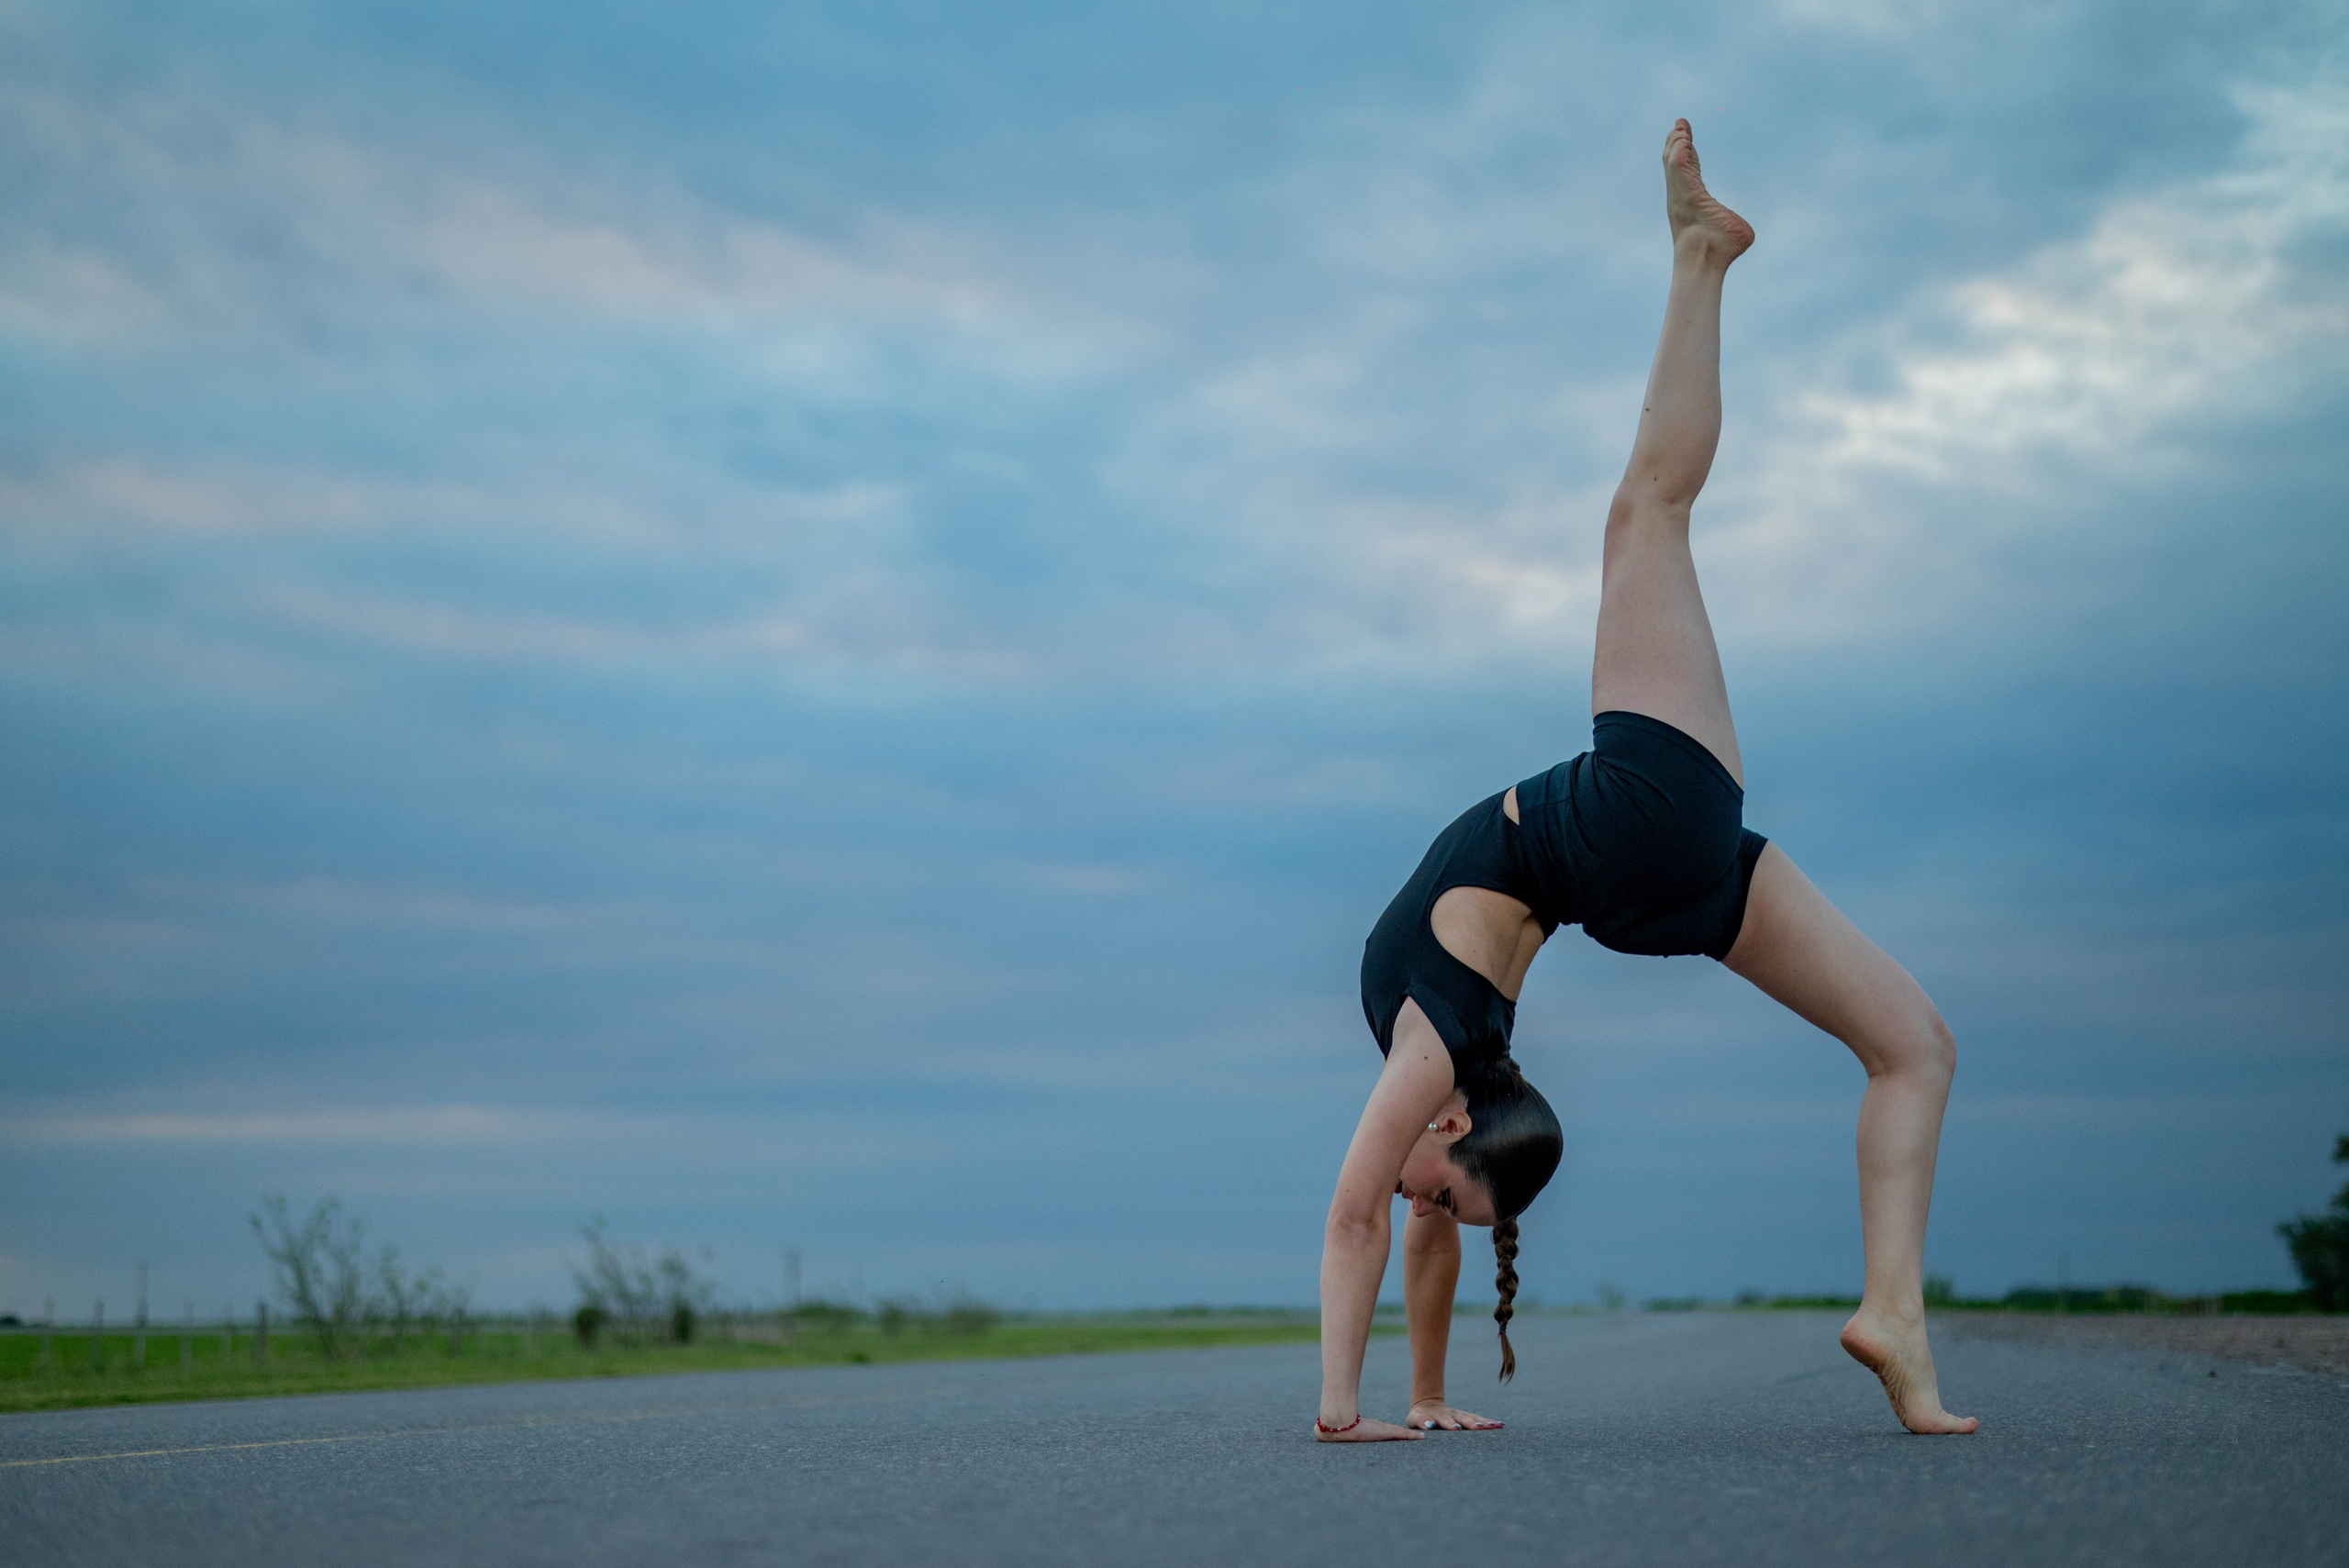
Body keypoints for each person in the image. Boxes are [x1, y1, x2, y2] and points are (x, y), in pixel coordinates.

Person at [1313, 120, 1979, 1443]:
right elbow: (1367, 1216)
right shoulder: (1444, 1055)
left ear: (1451, 1122)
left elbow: (1374, 1215)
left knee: (1914, 1045)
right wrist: (1355, 1408)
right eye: (1448, 1194)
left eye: (1440, 1194)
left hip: (1650, 878)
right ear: (1461, 1122)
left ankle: (1897, 1315)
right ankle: (1699, 258)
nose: (1421, 1207)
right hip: (1643, 834)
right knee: (1646, 515)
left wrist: (1409, 1397)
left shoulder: (1439, 1057)